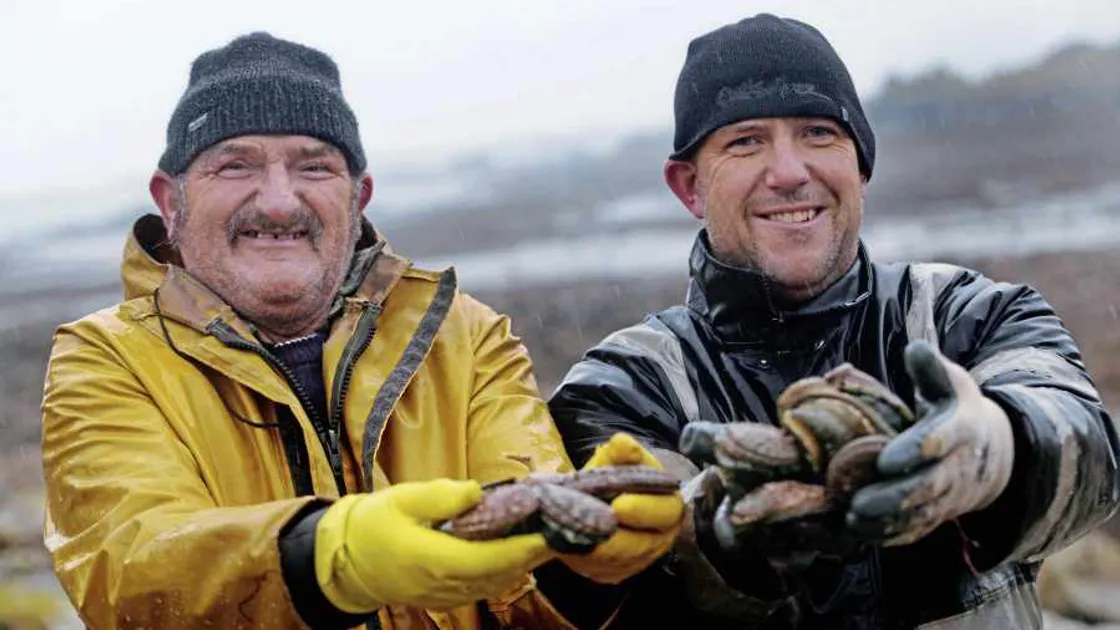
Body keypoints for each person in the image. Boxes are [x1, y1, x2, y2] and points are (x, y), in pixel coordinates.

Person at [39, 32, 682, 630]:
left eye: (314, 167)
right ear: (169, 201)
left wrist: (588, 565)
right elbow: (132, 573)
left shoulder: (466, 335)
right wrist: (328, 557)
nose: (279, 201)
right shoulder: (103, 359)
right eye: (235, 165)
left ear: (359, 196)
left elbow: (527, 576)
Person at [547, 13, 1120, 629]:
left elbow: (1088, 452)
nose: (790, 172)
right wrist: (725, 537)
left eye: (819, 132)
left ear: (860, 164)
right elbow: (594, 576)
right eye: (745, 141)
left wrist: (998, 449)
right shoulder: (620, 388)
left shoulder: (970, 314)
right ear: (689, 186)